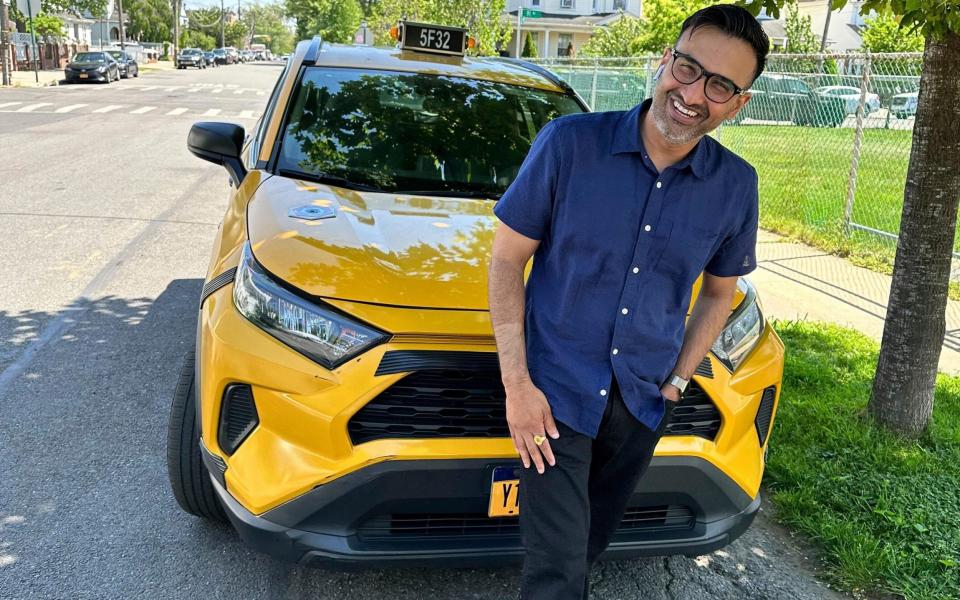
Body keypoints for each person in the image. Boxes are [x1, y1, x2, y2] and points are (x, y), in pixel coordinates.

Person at [487, 5, 770, 599]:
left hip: (642, 403)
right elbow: (507, 260)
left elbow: (721, 293)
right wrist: (518, 385)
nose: (694, 94)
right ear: (664, 62)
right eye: (689, 68)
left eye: (720, 85)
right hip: (553, 398)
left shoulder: (735, 186)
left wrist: (677, 383)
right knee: (558, 574)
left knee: (586, 546)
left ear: (738, 103)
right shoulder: (569, 145)